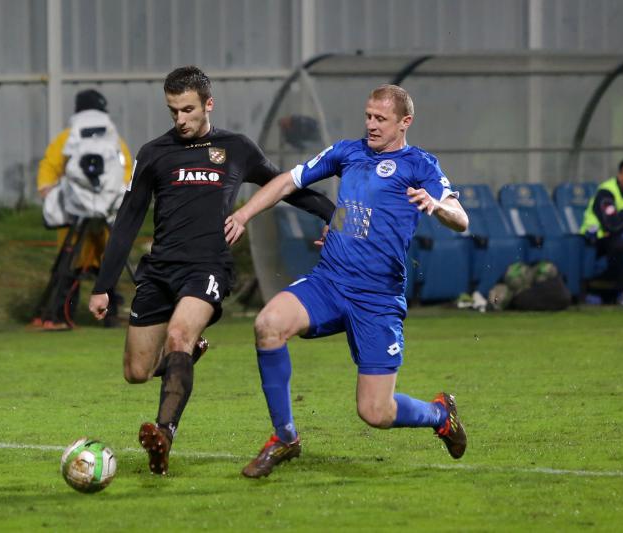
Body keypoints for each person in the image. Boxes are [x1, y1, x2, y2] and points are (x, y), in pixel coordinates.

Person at [88, 66, 335, 475]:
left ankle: (163, 434)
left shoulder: (236, 148)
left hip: (207, 267)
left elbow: (283, 185)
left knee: (179, 335)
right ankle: (185, 358)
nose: (180, 119)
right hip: (159, 270)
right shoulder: (153, 153)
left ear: (208, 104)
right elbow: (128, 219)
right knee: (136, 372)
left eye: (188, 109)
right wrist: (103, 285)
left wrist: (331, 213)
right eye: (173, 111)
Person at [224, 84, 469, 478]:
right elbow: (289, 182)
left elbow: (461, 219)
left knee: (375, 411)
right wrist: (242, 215)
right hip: (330, 281)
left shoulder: (420, 165)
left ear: (404, 122)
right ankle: (285, 437)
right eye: (368, 116)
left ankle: (440, 414)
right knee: (268, 325)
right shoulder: (347, 152)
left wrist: (437, 205)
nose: (371, 124)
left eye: (380, 119)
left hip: (377, 297)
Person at [35, 89, 133, 329]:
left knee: (68, 266)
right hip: (106, 220)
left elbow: (49, 167)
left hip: (75, 218)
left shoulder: (67, 137)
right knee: (109, 265)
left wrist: (49, 193)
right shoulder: (114, 140)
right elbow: (126, 171)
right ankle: (110, 315)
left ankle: (59, 315)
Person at [581, 157, 623, 305]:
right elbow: (612, 226)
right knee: (616, 241)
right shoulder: (606, 192)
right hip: (598, 239)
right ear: (620, 176)